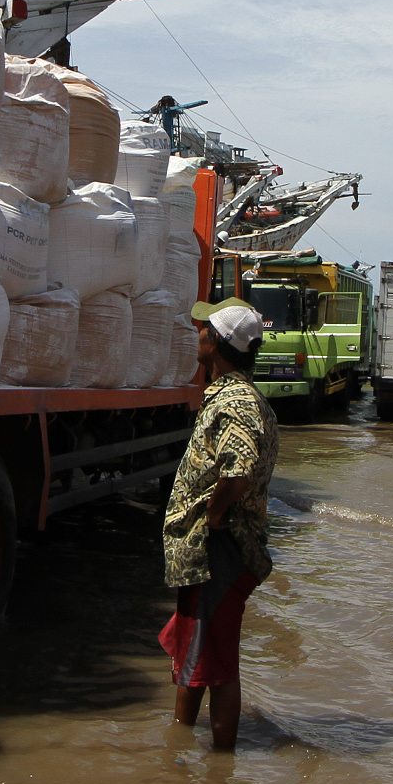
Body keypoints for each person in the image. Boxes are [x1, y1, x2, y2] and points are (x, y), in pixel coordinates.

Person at [160, 298, 280, 753]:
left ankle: (219, 769)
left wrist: (213, 517)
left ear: (215, 342)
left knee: (219, 666)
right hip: (210, 553)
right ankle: (179, 747)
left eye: (203, 329)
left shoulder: (236, 403)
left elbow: (238, 471)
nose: (197, 335)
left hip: (220, 551)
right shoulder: (239, 398)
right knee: (196, 654)